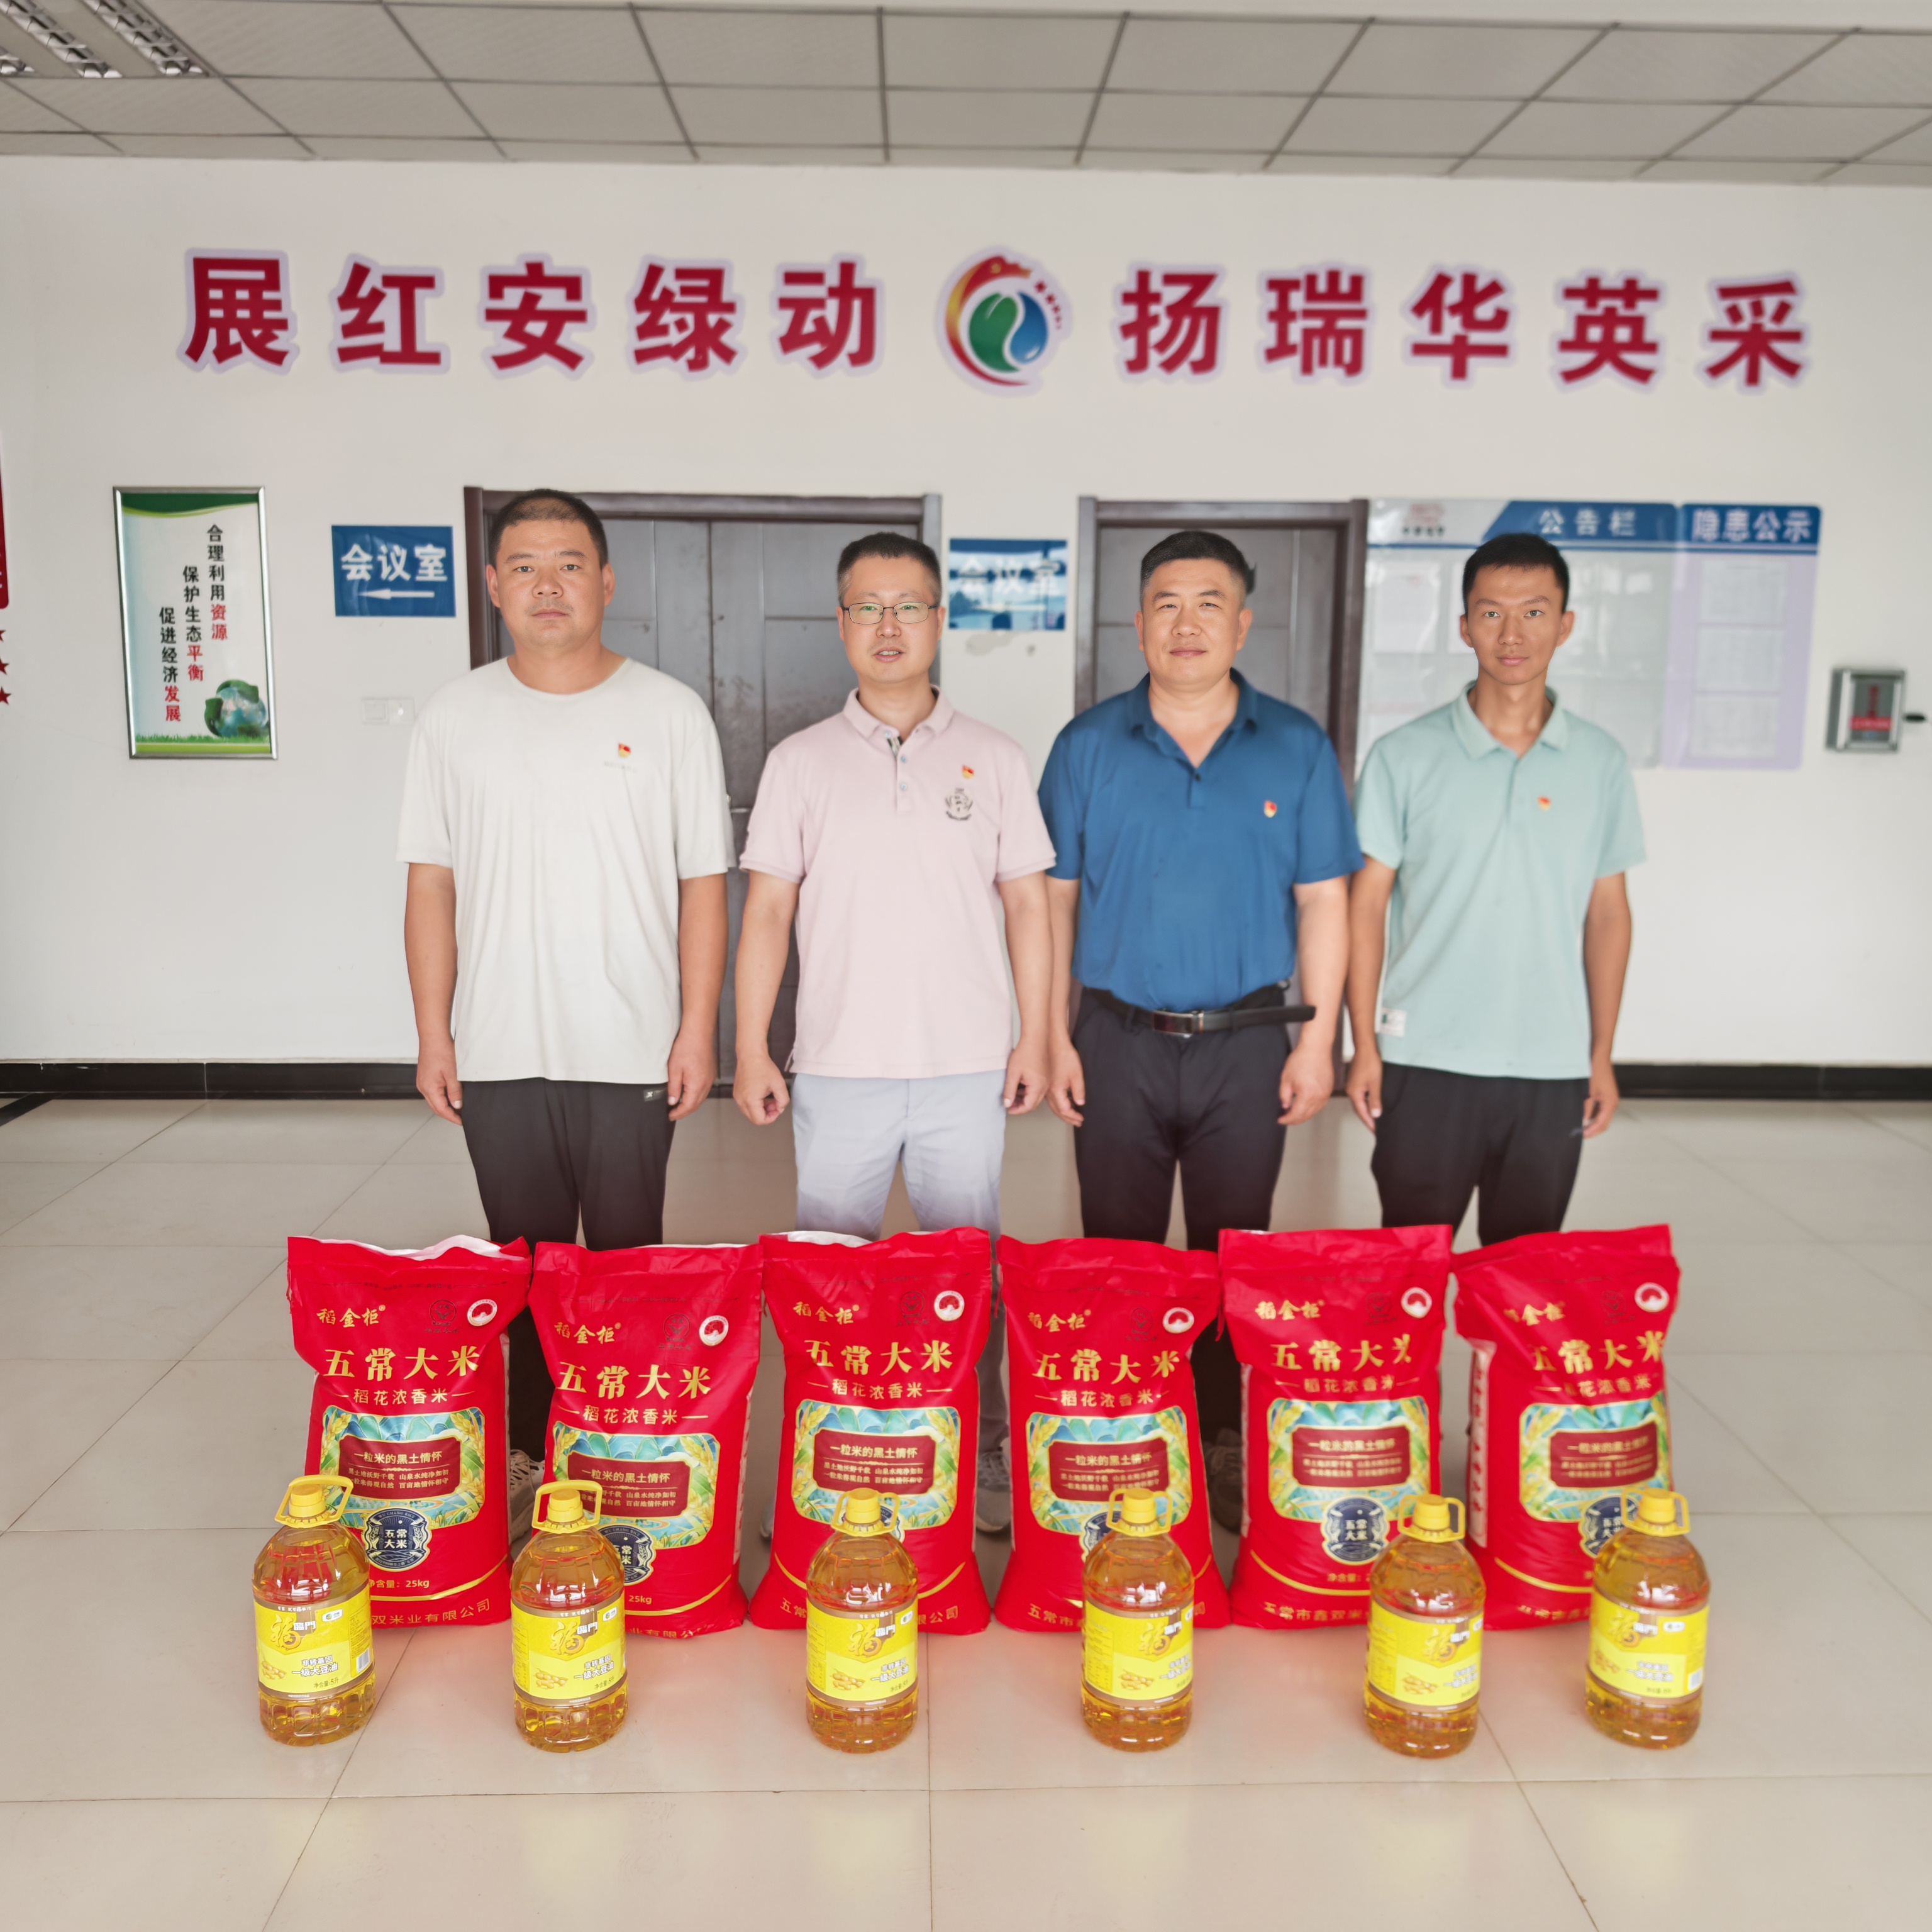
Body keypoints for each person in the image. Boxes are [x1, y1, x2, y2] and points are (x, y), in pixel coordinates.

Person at [397, 489, 733, 1533]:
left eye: (570, 564)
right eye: (526, 566)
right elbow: (430, 883)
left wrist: (697, 1029)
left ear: (607, 582)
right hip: (499, 1044)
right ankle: (535, 1456)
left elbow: (703, 885)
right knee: (526, 1266)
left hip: (631, 1043)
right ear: (493, 586)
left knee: (625, 1266)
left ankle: (626, 1451)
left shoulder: (668, 713)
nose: (549, 585)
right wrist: (434, 1031)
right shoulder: (453, 718)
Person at [734, 531, 1056, 1536]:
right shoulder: (799, 762)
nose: (888, 626)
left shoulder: (994, 756)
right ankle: (833, 1454)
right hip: (840, 1066)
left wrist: (1035, 1037)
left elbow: (1029, 907)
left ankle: (983, 1445)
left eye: (908, 606)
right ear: (841, 624)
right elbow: (769, 911)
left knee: (971, 1274)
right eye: (868, 607)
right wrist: (751, 1045)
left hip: (967, 1065)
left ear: (938, 621)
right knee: (832, 1278)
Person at [1038, 529, 1360, 1531]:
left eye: (1208, 603)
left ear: (1243, 623)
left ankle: (1219, 1435)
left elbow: (1325, 900)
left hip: (1249, 1040)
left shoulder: (1296, 746)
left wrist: (1319, 1043)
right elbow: (1052, 900)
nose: (1186, 625)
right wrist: (1050, 1033)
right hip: (1117, 1038)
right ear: (1138, 624)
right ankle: (1124, 1434)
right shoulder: (1087, 746)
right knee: (1120, 1255)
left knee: (1233, 1251)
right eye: (1167, 605)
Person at [1345, 530, 1643, 1246]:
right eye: (1491, 613)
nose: (1513, 634)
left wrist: (1599, 1053)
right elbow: (1366, 907)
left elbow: (1608, 913)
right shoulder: (1403, 757)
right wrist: (1364, 1045)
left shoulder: (1600, 761)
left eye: (1535, 612)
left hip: (1551, 1062)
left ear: (1565, 625)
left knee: (1523, 1279)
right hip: (1424, 1058)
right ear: (1464, 627)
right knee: (1411, 1268)